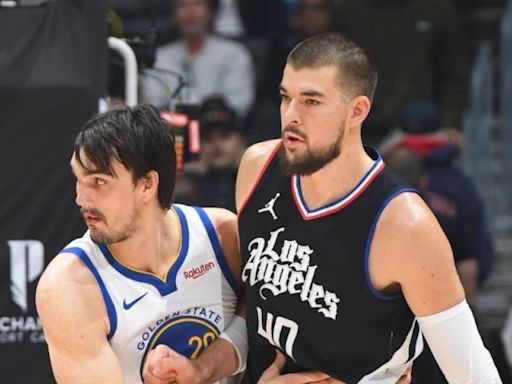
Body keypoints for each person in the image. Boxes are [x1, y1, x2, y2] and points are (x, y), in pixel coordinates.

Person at [235, 32, 501, 382]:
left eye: (311, 101)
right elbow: (246, 306)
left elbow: (473, 374)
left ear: (356, 111)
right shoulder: (257, 166)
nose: (291, 116)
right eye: (286, 97)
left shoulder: (405, 224)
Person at [35, 105, 247, 384]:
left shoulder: (223, 235)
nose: (81, 199)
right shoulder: (68, 286)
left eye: (99, 181)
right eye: (79, 179)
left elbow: (259, 314)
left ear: (147, 184)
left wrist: (204, 368)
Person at [333, 0, 469, 147]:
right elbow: (333, 69)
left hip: (421, 128)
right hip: (360, 126)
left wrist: (451, 122)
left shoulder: (437, 9)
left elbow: (453, 73)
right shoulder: (348, 10)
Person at [141, 0, 255, 118]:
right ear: (173, 15)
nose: (191, 13)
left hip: (219, 131)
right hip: (171, 130)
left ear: (211, 12)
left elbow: (239, 104)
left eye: (198, 4)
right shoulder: (159, 57)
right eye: (182, 6)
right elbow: (151, 105)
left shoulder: (234, 53)